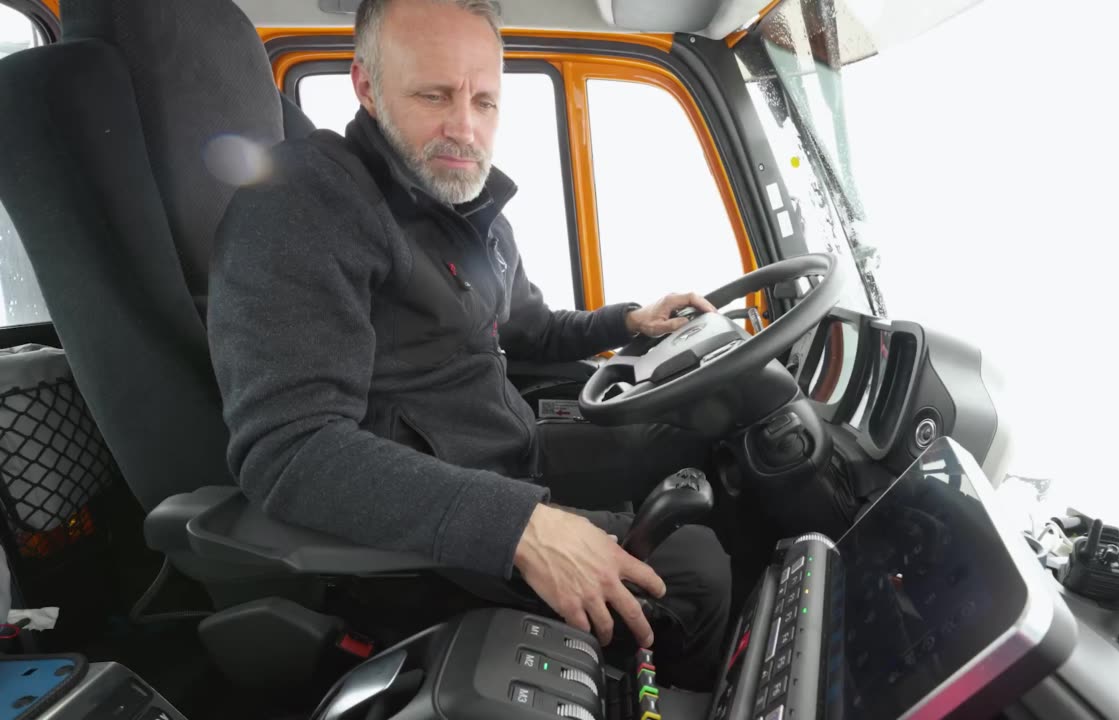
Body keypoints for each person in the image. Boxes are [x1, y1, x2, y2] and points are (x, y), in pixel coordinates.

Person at [206, 0, 731, 687]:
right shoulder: (302, 203)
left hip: (505, 453)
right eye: (434, 94)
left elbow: (533, 329)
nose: (465, 127)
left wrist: (627, 322)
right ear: (366, 86)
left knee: (696, 442)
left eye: (485, 101)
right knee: (696, 570)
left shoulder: (457, 202)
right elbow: (287, 448)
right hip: (425, 537)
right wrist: (522, 528)